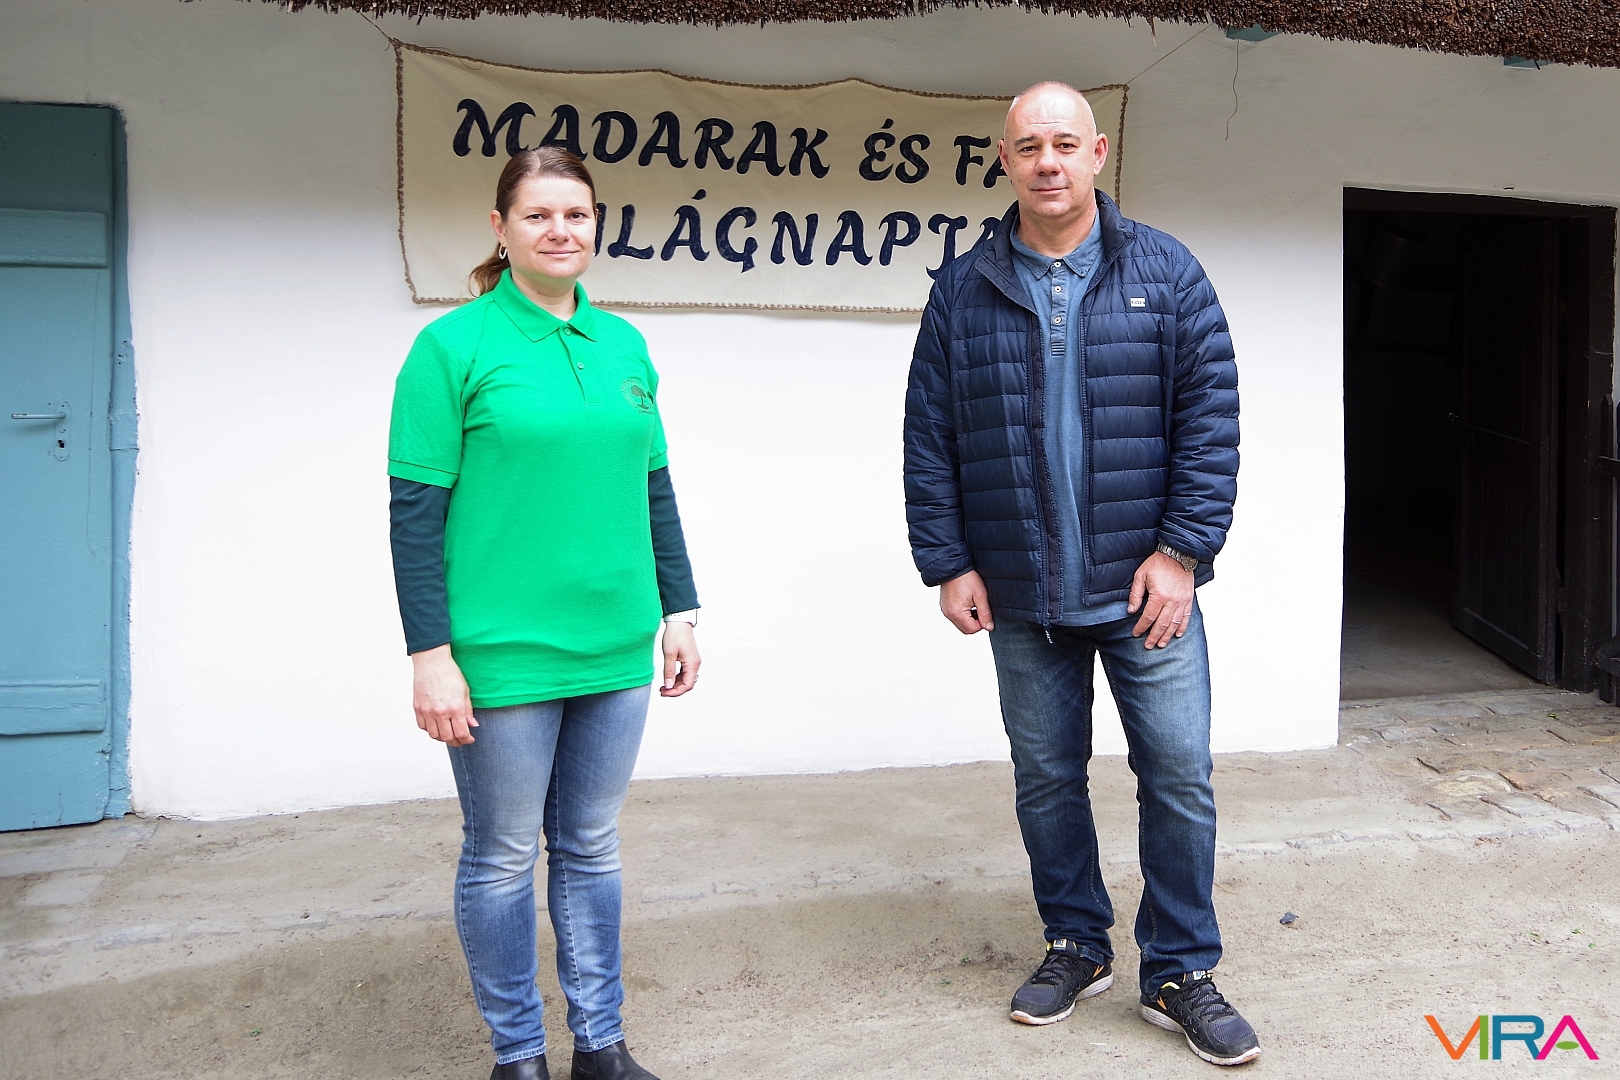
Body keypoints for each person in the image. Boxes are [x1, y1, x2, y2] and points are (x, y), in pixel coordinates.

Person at [902, 83, 1257, 1066]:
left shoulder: (1167, 272)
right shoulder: (962, 290)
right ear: (1005, 160)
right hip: (1020, 590)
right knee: (1048, 779)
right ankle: (1076, 943)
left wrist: (1182, 554)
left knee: (1177, 776)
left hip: (1149, 594)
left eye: (1065, 144)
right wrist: (949, 562)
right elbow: (929, 437)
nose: (1047, 162)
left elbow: (1211, 423)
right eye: (1029, 147)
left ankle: (1178, 969)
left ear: (1097, 154)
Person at [388, 147, 700, 1080]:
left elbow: (654, 488)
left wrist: (679, 609)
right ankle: (518, 1055)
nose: (560, 231)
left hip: (615, 644)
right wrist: (430, 655)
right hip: (502, 653)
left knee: (592, 846)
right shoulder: (452, 347)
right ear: (501, 228)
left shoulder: (625, 346)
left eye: (576, 215)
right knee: (500, 856)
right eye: (538, 215)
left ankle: (600, 1046)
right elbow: (415, 512)